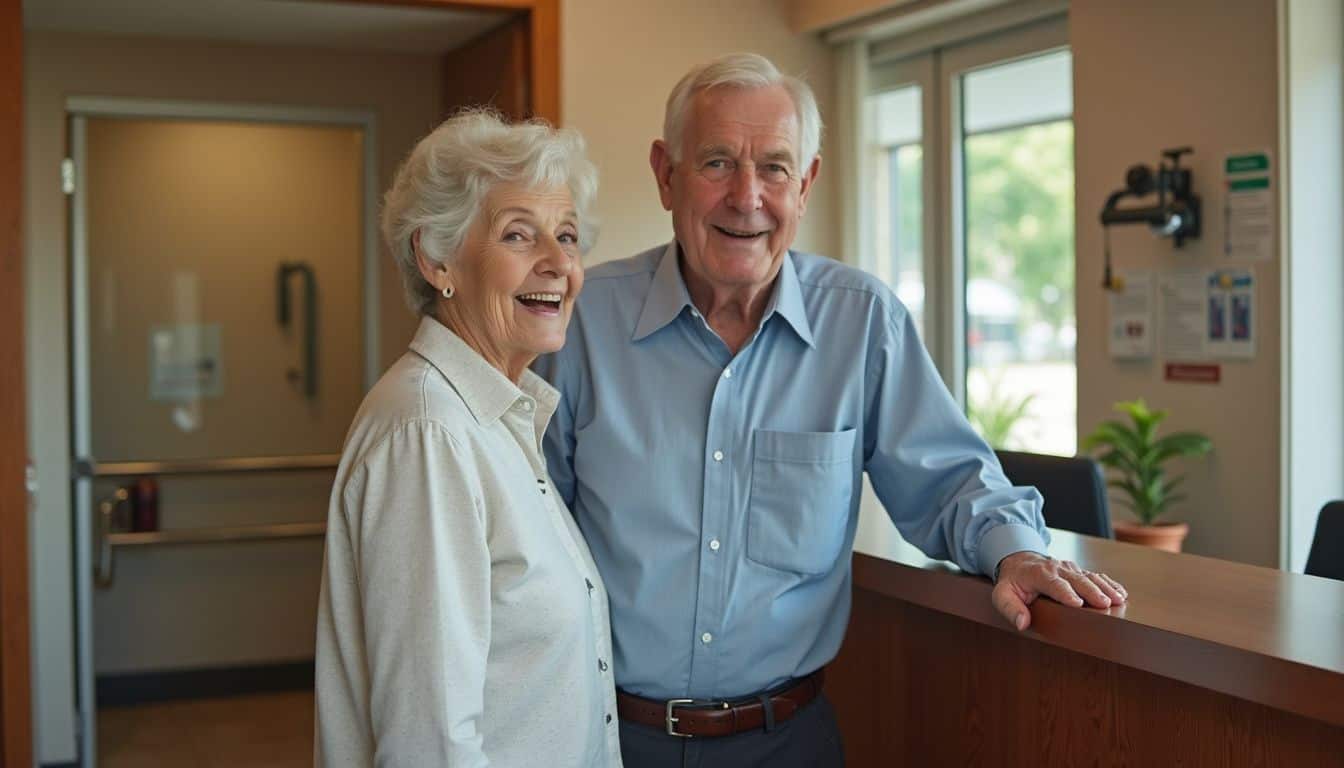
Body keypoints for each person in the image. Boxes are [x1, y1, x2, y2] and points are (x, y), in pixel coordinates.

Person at [534, 53, 1127, 766]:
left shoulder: (862, 322)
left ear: (807, 182)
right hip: (601, 739)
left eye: (775, 168)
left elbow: (951, 481)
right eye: (718, 163)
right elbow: (522, 532)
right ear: (666, 174)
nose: (747, 197)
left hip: (788, 743)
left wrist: (1016, 552)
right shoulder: (579, 324)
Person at [315, 109, 621, 767]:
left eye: (566, 237)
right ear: (437, 257)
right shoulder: (429, 436)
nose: (557, 264)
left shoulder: (492, 420)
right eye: (519, 235)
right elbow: (429, 742)